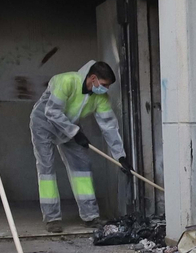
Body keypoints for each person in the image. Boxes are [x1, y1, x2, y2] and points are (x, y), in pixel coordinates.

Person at [29, 60, 127, 232]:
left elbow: (109, 127)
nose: (105, 89)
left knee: (82, 167)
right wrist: (75, 132)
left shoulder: (100, 97)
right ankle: (52, 219)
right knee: (46, 170)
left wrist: (120, 156)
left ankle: (90, 216)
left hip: (69, 127)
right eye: (104, 84)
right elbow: (51, 112)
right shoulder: (66, 81)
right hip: (43, 124)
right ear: (93, 78)